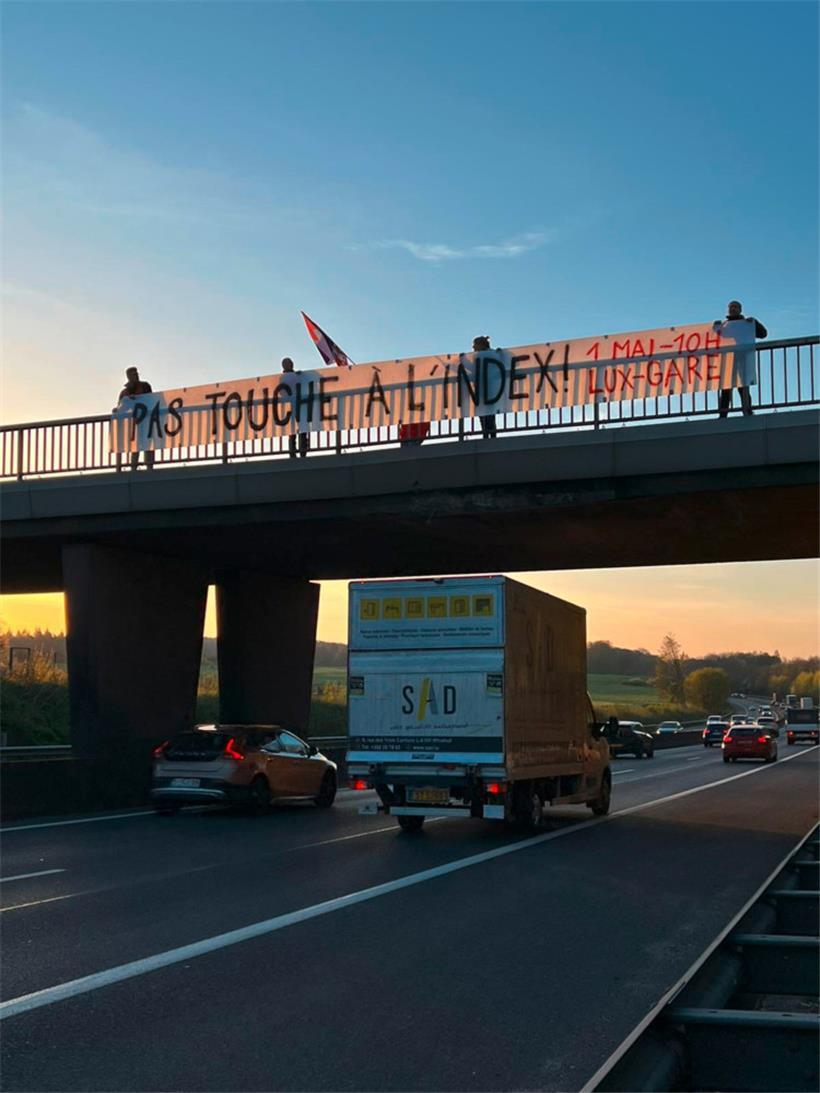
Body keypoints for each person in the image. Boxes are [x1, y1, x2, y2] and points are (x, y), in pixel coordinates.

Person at [714, 301, 768, 418]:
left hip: (743, 360)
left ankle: (747, 411)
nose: (733, 309)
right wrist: (715, 327)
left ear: (740, 310)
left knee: (743, 387)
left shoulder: (746, 324)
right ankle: (723, 415)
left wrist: (754, 323)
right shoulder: (724, 326)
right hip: (728, 360)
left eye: (735, 307)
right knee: (726, 388)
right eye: (731, 307)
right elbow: (713, 337)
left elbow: (763, 334)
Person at [117, 367, 155, 470]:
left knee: (148, 444)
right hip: (133, 424)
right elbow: (120, 408)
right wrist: (127, 402)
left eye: (137, 373)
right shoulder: (124, 392)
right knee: (135, 446)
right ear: (128, 377)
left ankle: (149, 467)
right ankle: (133, 467)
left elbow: (151, 400)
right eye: (133, 374)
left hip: (146, 421)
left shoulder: (145, 386)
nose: (136, 375)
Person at [280, 357, 309, 457]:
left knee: (301, 428)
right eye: (289, 363)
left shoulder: (292, 376)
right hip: (292, 405)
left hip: (299, 404)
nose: (291, 364)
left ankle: (300, 450)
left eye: (290, 363)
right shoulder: (284, 378)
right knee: (294, 429)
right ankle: (296, 451)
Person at [472, 335, 498, 439]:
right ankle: (487, 434)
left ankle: (490, 435)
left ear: (481, 345)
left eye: (475, 345)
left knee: (489, 414)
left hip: (489, 390)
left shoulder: (492, 354)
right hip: (481, 390)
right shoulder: (477, 357)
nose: (473, 347)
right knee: (483, 414)